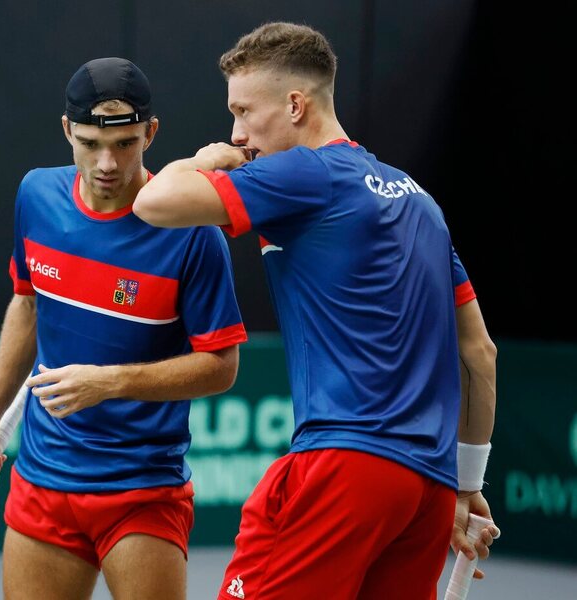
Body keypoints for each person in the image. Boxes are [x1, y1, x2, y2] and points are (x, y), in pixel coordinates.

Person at [133, 22, 498, 600]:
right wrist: (465, 485)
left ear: (296, 105)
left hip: (343, 467)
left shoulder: (305, 172)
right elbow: (479, 353)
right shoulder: (421, 202)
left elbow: (151, 202)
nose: (239, 133)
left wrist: (207, 158)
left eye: (243, 111)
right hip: (426, 493)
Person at [0, 57, 248, 600]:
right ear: (67, 130)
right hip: (43, 480)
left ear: (151, 133)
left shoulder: (193, 233)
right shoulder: (36, 197)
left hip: (141, 489)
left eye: (125, 143)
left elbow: (222, 366)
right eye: (90, 143)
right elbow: (26, 305)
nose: (107, 162)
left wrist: (110, 382)